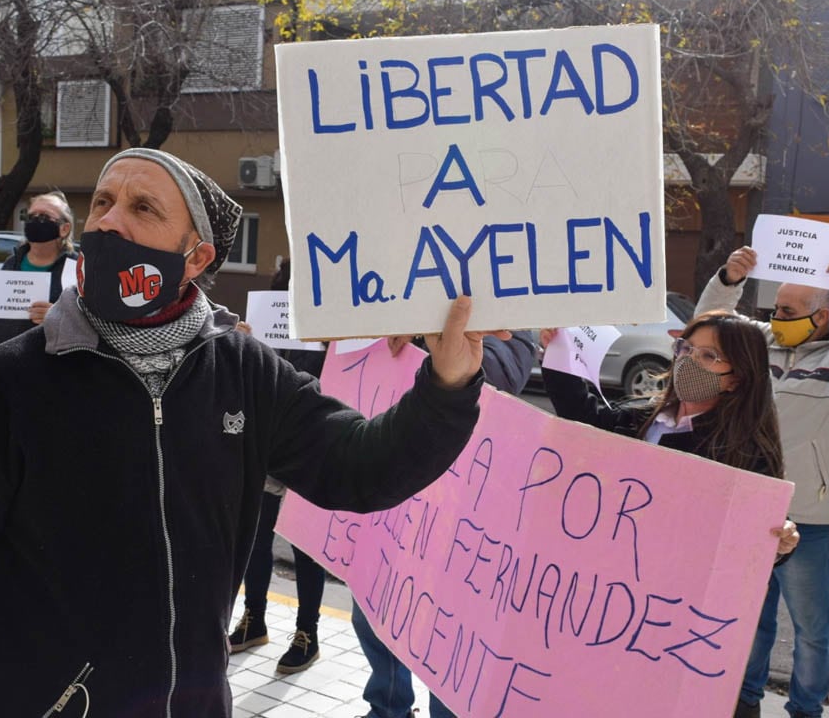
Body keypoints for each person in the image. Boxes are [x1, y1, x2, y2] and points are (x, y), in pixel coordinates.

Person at [0, 148, 499, 717]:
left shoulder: (246, 373)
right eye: (105, 203)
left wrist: (446, 389)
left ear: (196, 256)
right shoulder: (10, 383)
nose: (111, 221)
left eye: (143, 207)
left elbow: (361, 467)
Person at [695, 247, 829, 718]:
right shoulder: (757, 344)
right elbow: (705, 333)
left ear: (822, 315)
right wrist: (728, 279)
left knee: (810, 631)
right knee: (749, 622)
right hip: (749, 512)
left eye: (787, 311)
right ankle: (745, 700)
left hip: (812, 521)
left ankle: (806, 710)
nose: (775, 317)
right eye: (774, 309)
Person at [352, 328, 538, 718]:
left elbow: (499, 376)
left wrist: (432, 344)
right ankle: (387, 706)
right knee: (372, 608)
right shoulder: (410, 306)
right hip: (397, 489)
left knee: (446, 631)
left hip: (462, 507)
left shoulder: (515, 320)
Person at [540, 311, 799, 557]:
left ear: (737, 379)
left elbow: (760, 531)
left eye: (709, 356)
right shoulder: (640, 417)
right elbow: (581, 416)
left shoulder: (744, 450)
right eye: (686, 349)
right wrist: (561, 352)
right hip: (611, 559)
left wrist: (782, 539)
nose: (689, 361)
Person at [228, 258, 332, 674]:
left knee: (306, 546)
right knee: (255, 537)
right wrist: (242, 344)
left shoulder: (334, 323)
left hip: (311, 446)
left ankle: (308, 632)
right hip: (267, 446)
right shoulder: (267, 314)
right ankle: (254, 618)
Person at [0, 190, 78, 355]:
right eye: (31, 216)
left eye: (44, 217)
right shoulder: (11, 263)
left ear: (64, 229)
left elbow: (90, 326)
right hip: (0, 367)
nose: (36, 221)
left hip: (49, 370)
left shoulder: (76, 270)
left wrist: (57, 318)